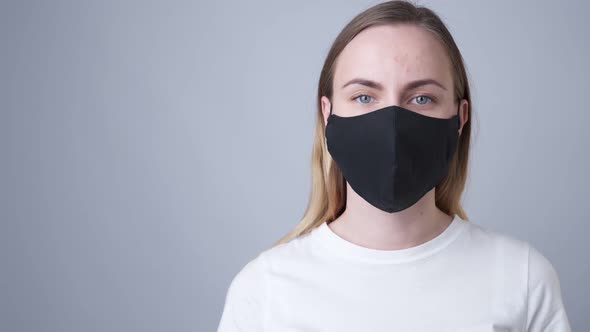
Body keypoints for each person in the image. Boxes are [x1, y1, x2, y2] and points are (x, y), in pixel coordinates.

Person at [217, 1, 572, 331]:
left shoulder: (522, 278)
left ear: (460, 117)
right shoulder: (263, 292)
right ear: (328, 115)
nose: (391, 123)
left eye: (421, 98)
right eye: (364, 97)